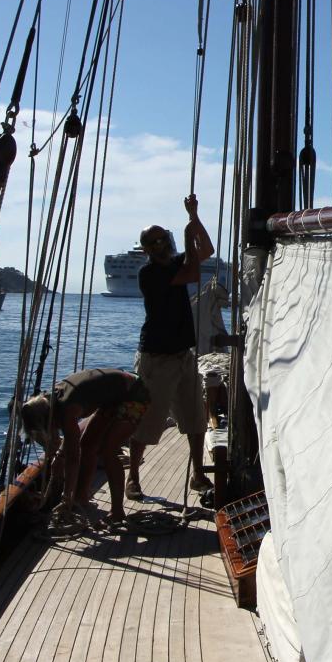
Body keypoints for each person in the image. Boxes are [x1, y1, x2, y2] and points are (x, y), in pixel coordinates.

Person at [126, 193, 215, 500]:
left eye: (164, 238)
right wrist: (189, 238)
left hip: (183, 354)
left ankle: (198, 473)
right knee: (148, 420)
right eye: (155, 242)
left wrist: (194, 219)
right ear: (147, 249)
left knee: (195, 419)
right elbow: (192, 271)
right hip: (158, 357)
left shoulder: (176, 262)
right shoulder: (149, 273)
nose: (162, 245)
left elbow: (207, 249)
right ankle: (133, 477)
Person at [18, 368, 150, 525]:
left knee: (109, 451)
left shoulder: (68, 410)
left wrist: (66, 497)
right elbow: (69, 444)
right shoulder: (49, 399)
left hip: (135, 393)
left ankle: (117, 512)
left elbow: (73, 457)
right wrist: (59, 457)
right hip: (112, 398)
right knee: (87, 444)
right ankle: (81, 498)